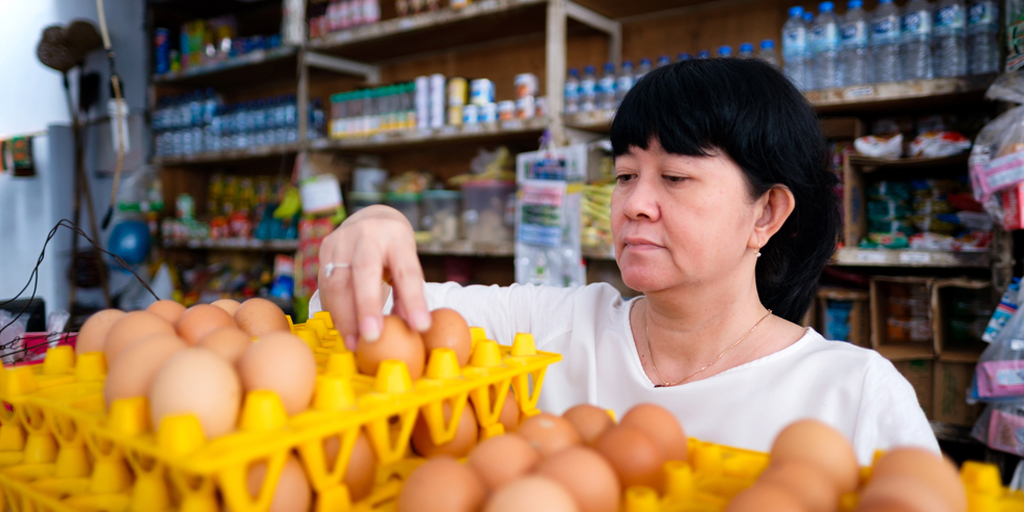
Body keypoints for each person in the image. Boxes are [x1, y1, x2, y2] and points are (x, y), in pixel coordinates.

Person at [310, 58, 938, 463]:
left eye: (675, 178)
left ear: (767, 214)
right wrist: (376, 224)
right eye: (625, 174)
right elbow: (350, 315)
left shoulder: (853, 395)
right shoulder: (551, 329)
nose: (635, 204)